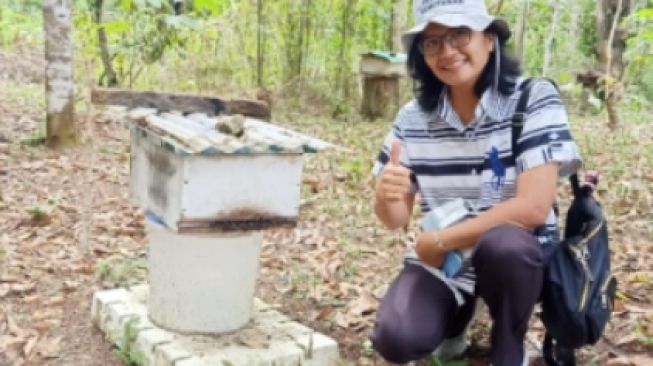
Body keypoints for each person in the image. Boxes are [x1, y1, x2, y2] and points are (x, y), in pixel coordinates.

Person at [370, 0, 582, 365]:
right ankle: (454, 323)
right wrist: (386, 194)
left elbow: (533, 208)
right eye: (432, 42)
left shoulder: (533, 99)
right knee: (396, 337)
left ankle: (509, 341)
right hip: (446, 263)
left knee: (504, 247)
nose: (447, 52)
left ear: (490, 39)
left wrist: (439, 240)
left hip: (514, 257)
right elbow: (393, 218)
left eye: (459, 35)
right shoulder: (412, 119)